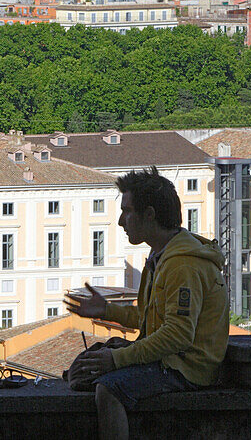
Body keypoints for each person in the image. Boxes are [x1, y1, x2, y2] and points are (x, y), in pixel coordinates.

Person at [65, 167, 229, 440]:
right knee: (87, 367)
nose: (120, 221)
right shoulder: (162, 255)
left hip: (187, 369)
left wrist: (117, 359)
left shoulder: (182, 265)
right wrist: (107, 310)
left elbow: (178, 335)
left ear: (150, 214)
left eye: (127, 211)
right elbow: (149, 316)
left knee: (108, 389)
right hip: (172, 360)